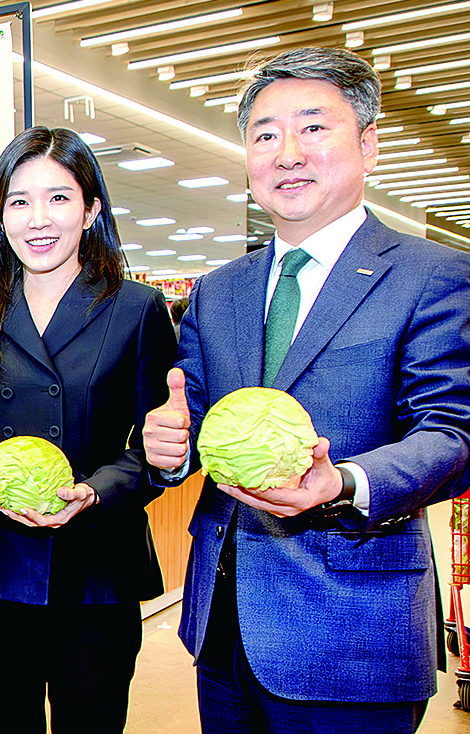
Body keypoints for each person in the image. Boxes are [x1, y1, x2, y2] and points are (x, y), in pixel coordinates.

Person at [142, 46, 470, 734]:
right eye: (265, 135)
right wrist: (167, 446)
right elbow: (192, 416)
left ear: (368, 144)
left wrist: (343, 481)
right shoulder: (218, 290)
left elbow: (452, 432)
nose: (287, 153)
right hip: (221, 630)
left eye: (313, 127)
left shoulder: (433, 276)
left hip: (352, 633)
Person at [0, 126, 175, 733]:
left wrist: (96, 490)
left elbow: (156, 448)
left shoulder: (135, 308)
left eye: (59, 197)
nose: (38, 219)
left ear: (91, 210)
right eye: (19, 201)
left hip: (96, 569)